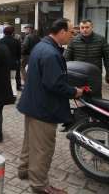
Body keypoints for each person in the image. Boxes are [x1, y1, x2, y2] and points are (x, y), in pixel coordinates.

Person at [17, 18, 84, 194]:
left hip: (32, 104)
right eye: (71, 32)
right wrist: (74, 92)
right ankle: (39, 185)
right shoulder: (51, 53)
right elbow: (55, 84)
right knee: (43, 148)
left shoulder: (41, 46)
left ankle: (24, 170)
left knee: (30, 141)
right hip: (43, 109)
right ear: (61, 32)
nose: (72, 35)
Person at [64, 19, 109, 85]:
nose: (84, 30)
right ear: (79, 28)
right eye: (82, 27)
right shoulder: (73, 41)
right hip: (77, 73)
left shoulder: (101, 40)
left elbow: (108, 58)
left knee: (95, 94)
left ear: (92, 27)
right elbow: (67, 58)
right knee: (78, 94)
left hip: (95, 74)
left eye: (87, 27)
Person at [0, 26, 22, 91]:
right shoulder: (16, 41)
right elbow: (19, 53)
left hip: (3, 63)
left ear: (4, 33)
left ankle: (4, 91)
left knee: (4, 78)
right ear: (12, 33)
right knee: (13, 78)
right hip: (13, 63)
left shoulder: (1, 41)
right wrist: (18, 60)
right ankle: (14, 92)